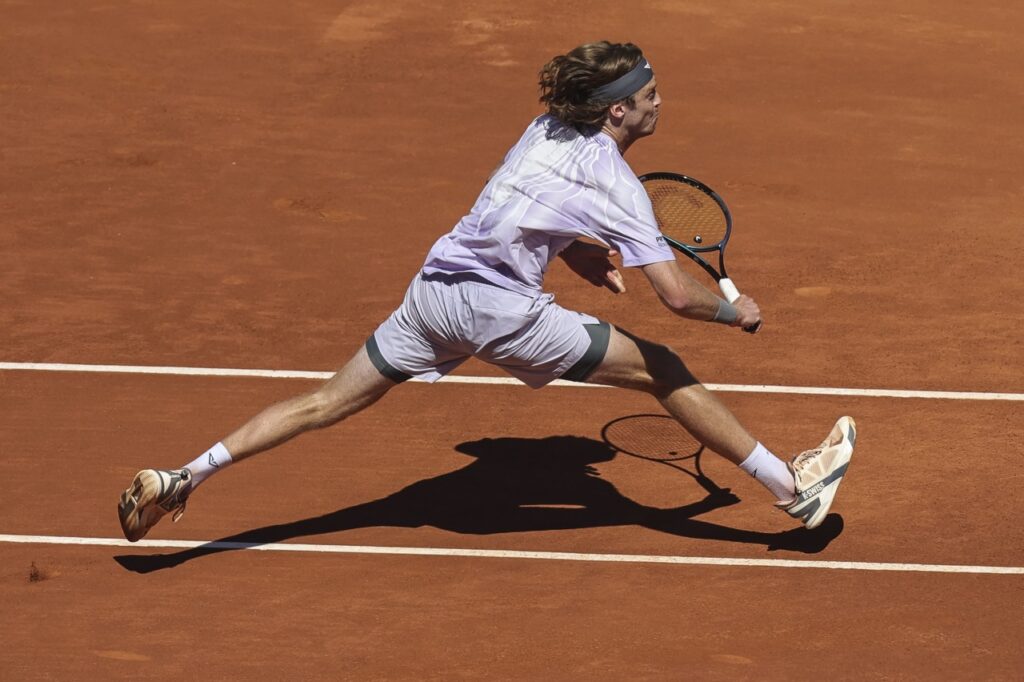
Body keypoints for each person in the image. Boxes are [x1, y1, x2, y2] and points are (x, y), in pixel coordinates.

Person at [118, 41, 855, 543]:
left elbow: (524, 205)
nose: (662, 102)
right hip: (500, 311)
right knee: (663, 368)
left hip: (433, 293)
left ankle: (185, 475)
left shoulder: (542, 129)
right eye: (650, 95)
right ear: (617, 113)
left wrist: (575, 254)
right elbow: (676, 296)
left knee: (323, 403)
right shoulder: (618, 184)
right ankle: (793, 489)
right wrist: (734, 311)